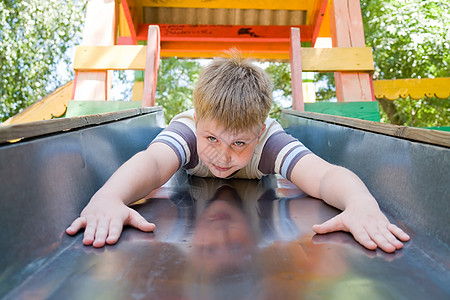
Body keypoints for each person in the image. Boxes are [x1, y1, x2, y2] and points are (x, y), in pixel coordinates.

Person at [66, 50, 410, 253]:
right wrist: (110, 197)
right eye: (212, 139)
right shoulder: (189, 132)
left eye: (239, 144)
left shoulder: (270, 143)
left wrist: (361, 205)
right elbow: (153, 165)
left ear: (258, 134)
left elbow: (324, 176)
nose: (222, 155)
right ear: (200, 122)